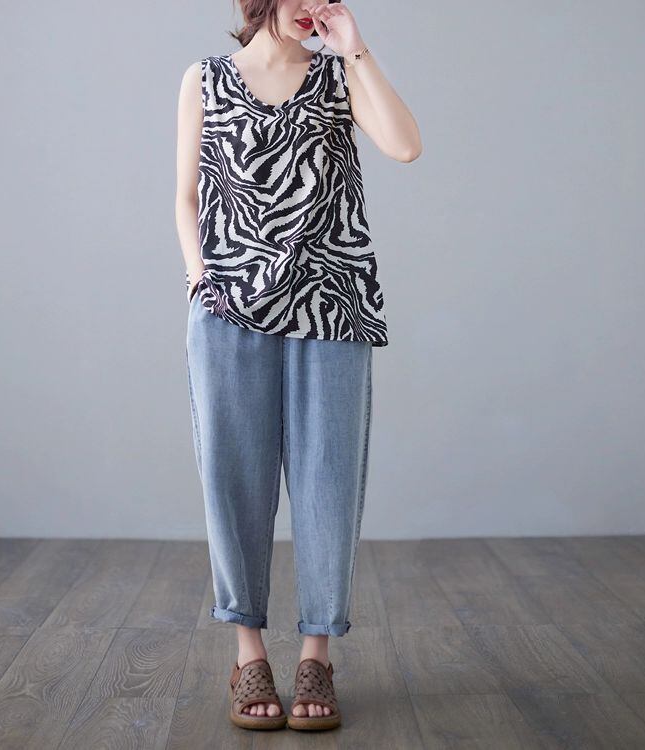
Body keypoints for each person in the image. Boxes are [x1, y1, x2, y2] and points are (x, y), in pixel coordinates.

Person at [175, 0, 421, 732]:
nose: (313, 4)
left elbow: (405, 146)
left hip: (331, 307)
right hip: (228, 309)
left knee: (328, 482)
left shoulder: (339, 77)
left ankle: (317, 654)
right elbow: (186, 196)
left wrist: (356, 48)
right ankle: (248, 651)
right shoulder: (205, 78)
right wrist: (200, 280)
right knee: (232, 477)